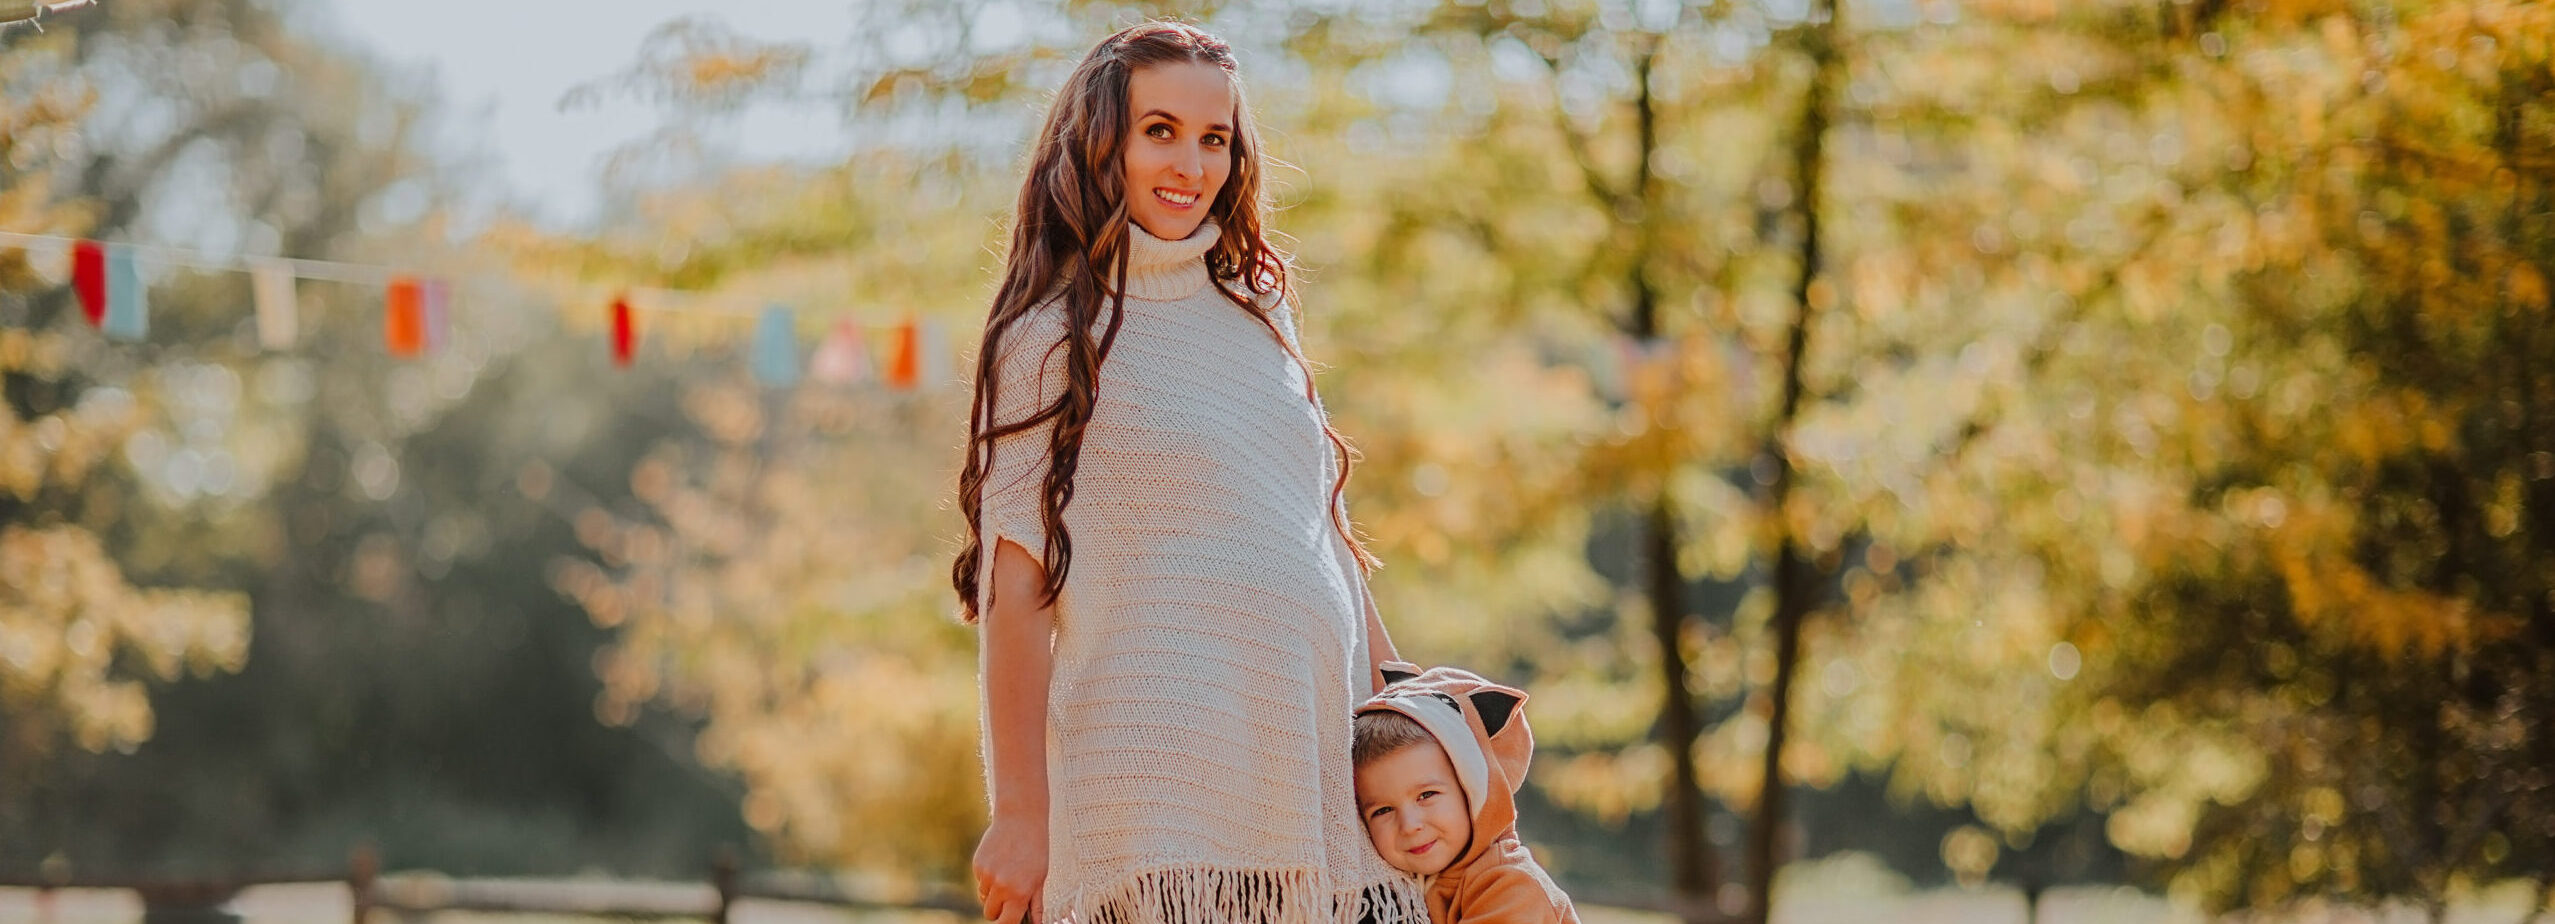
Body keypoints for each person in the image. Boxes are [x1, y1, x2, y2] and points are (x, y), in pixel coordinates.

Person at [954, 20, 1426, 924]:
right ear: (1100, 143)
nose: (1191, 163)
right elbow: (1016, 591)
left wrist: (1413, 711)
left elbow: (1319, 536)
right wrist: (1019, 810)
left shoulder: (1258, 311)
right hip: (1155, 790)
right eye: (1159, 130)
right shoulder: (1048, 341)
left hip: (1307, 764)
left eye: (1215, 138)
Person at [1353, 667, 1578, 924]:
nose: (1409, 825)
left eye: (1427, 795)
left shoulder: (1513, 886)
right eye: (1383, 810)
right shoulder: (1409, 885)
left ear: (1471, 788)